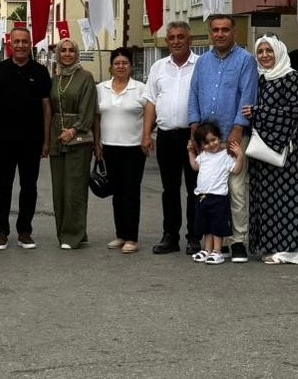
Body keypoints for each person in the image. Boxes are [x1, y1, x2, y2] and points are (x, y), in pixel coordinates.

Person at [187, 15, 257, 262]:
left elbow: (248, 95)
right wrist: (195, 130)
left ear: (234, 32)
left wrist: (238, 129)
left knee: (236, 189)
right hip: (208, 140)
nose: (220, 34)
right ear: (210, 33)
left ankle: (238, 241)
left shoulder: (246, 60)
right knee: (212, 189)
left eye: (225, 30)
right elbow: (194, 94)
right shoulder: (203, 62)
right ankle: (218, 241)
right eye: (215, 30)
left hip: (233, 135)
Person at [0, 26, 52, 250]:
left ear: (30, 44)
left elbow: (46, 107)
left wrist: (46, 140)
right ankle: (1, 231)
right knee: (2, 187)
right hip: (3, 140)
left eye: (25, 41)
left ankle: (25, 231)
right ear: (10, 44)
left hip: (32, 141)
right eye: (17, 41)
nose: (21, 45)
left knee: (29, 187)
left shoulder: (40, 71)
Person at [245, 36, 298, 265]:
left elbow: (295, 110)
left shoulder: (290, 77)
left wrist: (258, 112)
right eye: (260, 51)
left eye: (269, 51)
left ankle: (293, 250)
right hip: (263, 151)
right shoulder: (261, 78)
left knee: (288, 200)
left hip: (284, 151)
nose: (264, 55)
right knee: (268, 201)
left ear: (279, 52)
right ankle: (274, 246)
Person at [143, 22, 195, 254]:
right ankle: (170, 236)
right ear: (167, 42)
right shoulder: (158, 67)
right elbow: (151, 102)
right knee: (170, 189)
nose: (176, 41)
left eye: (180, 37)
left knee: (195, 188)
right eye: (172, 37)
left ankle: (194, 237)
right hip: (166, 136)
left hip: (192, 136)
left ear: (189, 40)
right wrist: (146, 134)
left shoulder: (200, 65)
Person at [47, 39, 99, 250]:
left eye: (71, 50)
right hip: (56, 137)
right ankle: (64, 231)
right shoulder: (55, 78)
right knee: (59, 188)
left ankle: (73, 234)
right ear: (58, 54)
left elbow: (89, 109)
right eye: (63, 50)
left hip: (78, 138)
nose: (67, 54)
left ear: (77, 54)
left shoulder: (86, 77)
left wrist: (73, 130)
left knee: (74, 188)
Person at [97, 47, 148, 254]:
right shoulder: (101, 88)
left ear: (131, 66)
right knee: (116, 193)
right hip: (109, 146)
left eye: (125, 63)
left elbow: (150, 113)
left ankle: (131, 238)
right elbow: (96, 117)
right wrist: (97, 143)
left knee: (131, 192)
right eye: (117, 63)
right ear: (111, 67)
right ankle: (120, 234)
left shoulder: (141, 89)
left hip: (134, 148)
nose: (120, 67)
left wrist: (146, 136)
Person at [187, 122, 243, 265]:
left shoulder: (225, 156)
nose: (211, 144)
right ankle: (207, 249)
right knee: (206, 226)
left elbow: (236, 170)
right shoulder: (203, 155)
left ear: (219, 138)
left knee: (217, 226)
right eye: (206, 143)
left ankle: (217, 251)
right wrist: (191, 152)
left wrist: (239, 156)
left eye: (214, 140)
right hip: (202, 196)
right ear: (201, 145)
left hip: (218, 197)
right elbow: (195, 166)